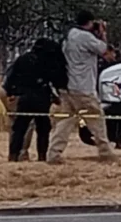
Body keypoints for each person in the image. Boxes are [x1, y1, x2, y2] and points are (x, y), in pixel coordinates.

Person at [47, 10, 116, 164]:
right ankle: (106, 153)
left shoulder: (70, 35)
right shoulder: (85, 37)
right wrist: (103, 33)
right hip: (83, 87)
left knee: (66, 121)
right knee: (97, 119)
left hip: (68, 86)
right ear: (90, 23)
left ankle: (53, 153)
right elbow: (104, 49)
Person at [4, 38, 62, 162]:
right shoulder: (47, 61)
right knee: (43, 129)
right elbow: (55, 79)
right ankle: (42, 156)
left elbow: (11, 77)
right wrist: (57, 95)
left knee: (19, 128)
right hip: (41, 98)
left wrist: (10, 92)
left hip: (25, 98)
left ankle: (13, 155)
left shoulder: (23, 59)